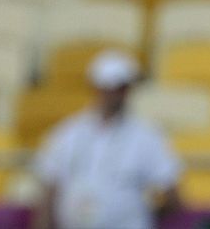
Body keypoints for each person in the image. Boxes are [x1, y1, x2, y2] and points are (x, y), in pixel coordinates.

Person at [33, 50, 182, 229]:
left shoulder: (148, 136)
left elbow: (172, 194)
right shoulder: (67, 133)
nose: (113, 94)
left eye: (120, 88)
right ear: (95, 88)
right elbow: (50, 190)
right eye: (107, 87)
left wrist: (140, 214)